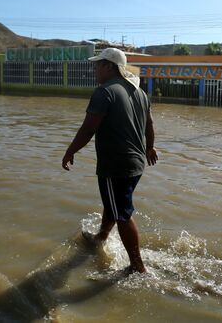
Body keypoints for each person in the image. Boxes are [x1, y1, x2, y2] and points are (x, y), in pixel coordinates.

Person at [62, 48, 158, 274]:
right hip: (136, 164)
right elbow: (150, 125)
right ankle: (101, 237)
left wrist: (70, 151)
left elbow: (88, 129)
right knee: (113, 204)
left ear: (109, 66)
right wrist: (150, 147)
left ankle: (137, 266)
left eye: (97, 65)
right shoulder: (140, 93)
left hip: (116, 165)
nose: (94, 69)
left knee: (122, 213)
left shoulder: (104, 92)